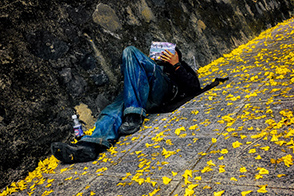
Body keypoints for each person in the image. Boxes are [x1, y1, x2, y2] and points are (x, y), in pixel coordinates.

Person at [51, 45, 201, 163]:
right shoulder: (149, 64)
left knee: (130, 50)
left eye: (169, 53)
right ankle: (89, 146)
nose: (164, 56)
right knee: (113, 109)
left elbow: (194, 86)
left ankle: (134, 114)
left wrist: (176, 64)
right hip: (139, 96)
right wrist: (140, 64)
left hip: (162, 91)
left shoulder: (178, 66)